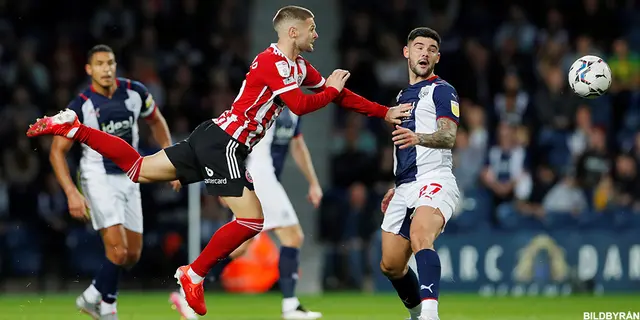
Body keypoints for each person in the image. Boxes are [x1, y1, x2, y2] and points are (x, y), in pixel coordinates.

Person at [27, 5, 410, 316]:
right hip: (226, 143)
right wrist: (329, 90)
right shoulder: (272, 61)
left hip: (215, 136)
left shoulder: (297, 67)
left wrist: (382, 112)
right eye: (312, 29)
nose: (316, 35)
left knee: (139, 169)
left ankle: (74, 128)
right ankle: (193, 273)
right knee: (252, 219)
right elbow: (300, 104)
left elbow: (335, 96)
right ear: (293, 32)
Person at [48, 44, 176, 319]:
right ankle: (103, 306)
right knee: (117, 251)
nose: (106, 69)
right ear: (89, 69)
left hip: (131, 175)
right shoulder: (81, 105)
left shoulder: (135, 92)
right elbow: (57, 151)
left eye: (110, 63)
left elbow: (156, 121)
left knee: (131, 255)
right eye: (100, 64)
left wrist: (170, 159)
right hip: (98, 177)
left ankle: (97, 299)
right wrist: (71, 192)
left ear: (116, 66)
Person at [173, 106, 324, 319]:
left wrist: (313, 182)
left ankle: (189, 283)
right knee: (293, 236)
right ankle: (290, 305)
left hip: (268, 179)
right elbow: (229, 137)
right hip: (260, 176)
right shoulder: (264, 104)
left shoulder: (294, 110)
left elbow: (297, 145)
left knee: (239, 248)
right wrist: (226, 179)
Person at [379, 27, 461, 320]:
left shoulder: (442, 90)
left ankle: (430, 314)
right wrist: (396, 184)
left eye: (430, 49)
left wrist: (419, 138)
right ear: (407, 52)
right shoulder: (402, 95)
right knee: (390, 265)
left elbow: (448, 136)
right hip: (405, 185)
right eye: (418, 47)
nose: (424, 53)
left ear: (437, 57)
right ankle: (416, 315)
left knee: (420, 235)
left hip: (435, 179)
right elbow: (401, 148)